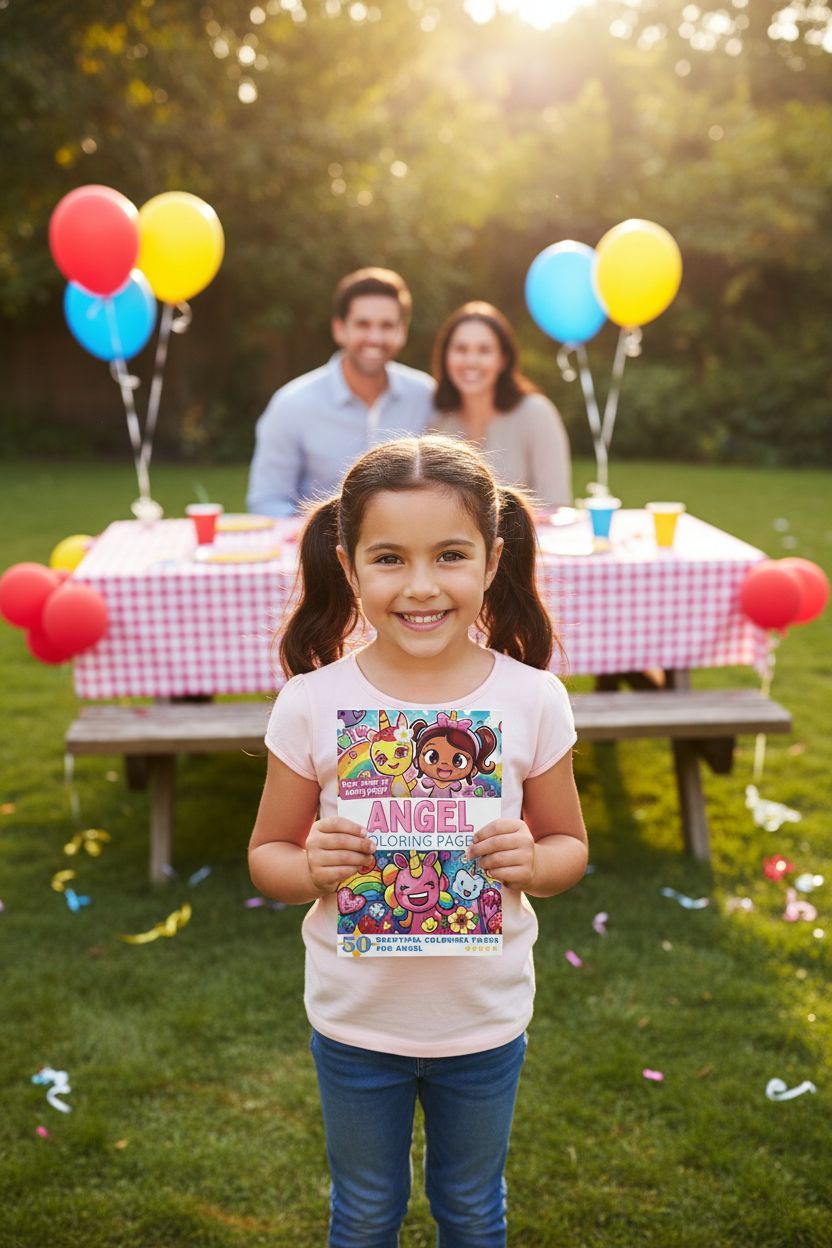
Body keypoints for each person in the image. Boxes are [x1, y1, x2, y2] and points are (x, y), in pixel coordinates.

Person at [249, 434, 588, 1247]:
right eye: (391, 558)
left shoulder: (532, 698)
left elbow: (570, 843)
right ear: (349, 561)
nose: (423, 586)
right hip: (356, 1026)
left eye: (451, 555)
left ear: (493, 558)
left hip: (483, 1022)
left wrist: (534, 862)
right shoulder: (311, 703)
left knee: (472, 1210)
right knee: (364, 1212)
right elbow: (269, 853)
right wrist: (311, 868)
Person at [246, 268, 434, 516]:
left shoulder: (426, 395)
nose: (374, 337)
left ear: (402, 331)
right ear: (339, 329)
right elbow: (267, 501)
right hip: (321, 550)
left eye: (387, 325)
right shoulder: (292, 404)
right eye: (363, 324)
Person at [430, 301, 573, 509]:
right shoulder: (438, 420)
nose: (471, 360)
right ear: (446, 357)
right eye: (461, 349)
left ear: (503, 359)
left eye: (484, 350)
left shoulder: (537, 414)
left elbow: (556, 507)